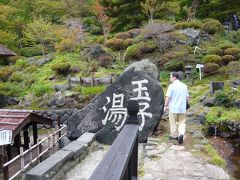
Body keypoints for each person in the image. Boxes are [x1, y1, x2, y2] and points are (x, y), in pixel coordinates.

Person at [164, 72, 190, 144]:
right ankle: (181, 134)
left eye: (170, 77)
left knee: (173, 122)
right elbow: (187, 97)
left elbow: (168, 97)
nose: (170, 78)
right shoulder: (184, 86)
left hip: (173, 108)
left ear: (174, 77)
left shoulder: (171, 86)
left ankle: (174, 136)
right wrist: (187, 104)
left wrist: (165, 106)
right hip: (182, 108)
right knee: (182, 122)